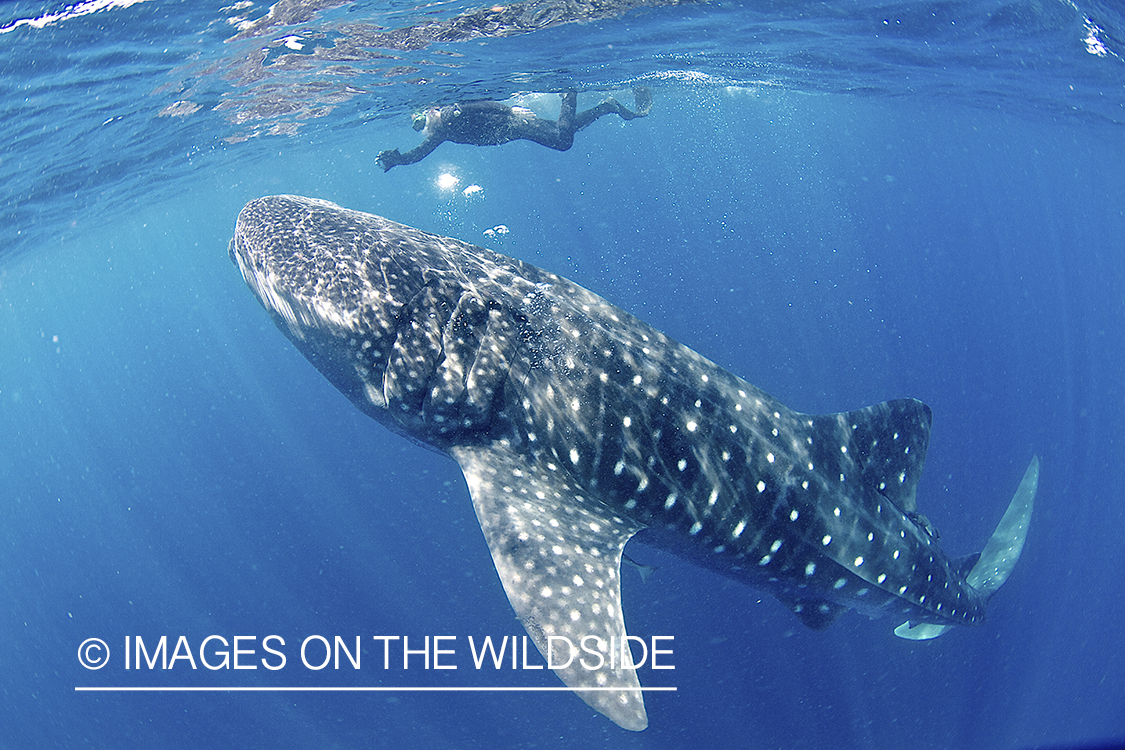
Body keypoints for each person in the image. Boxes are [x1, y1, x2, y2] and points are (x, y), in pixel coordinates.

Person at [376, 88, 653, 172]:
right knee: (564, 130)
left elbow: (479, 106)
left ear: (431, 111)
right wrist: (397, 159)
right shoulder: (441, 132)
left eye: (421, 120)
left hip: (514, 124)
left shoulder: (449, 112)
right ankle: (608, 106)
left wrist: (510, 110)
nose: (423, 128)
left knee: (563, 142)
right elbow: (419, 154)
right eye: (418, 127)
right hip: (513, 130)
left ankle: (569, 94)